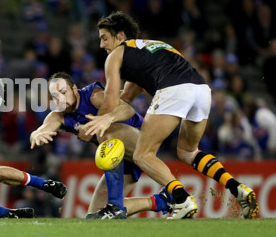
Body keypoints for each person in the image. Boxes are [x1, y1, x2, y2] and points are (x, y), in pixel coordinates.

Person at [84, 11, 257, 219]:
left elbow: (112, 100)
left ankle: (182, 199)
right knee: (187, 151)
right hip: (201, 89)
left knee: (142, 154)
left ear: (120, 36)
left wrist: (97, 122)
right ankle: (238, 189)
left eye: (104, 38)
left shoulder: (115, 55)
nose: (102, 45)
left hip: (174, 89)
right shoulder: (151, 47)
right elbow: (126, 97)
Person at [30, 72, 173, 219]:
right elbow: (40, 130)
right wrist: (37, 135)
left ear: (74, 89)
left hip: (140, 140)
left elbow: (127, 110)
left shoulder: (94, 96)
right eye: (55, 96)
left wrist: (103, 120)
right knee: (95, 216)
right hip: (119, 156)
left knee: (103, 131)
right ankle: (161, 201)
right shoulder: (58, 116)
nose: (60, 99)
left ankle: (115, 205)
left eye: (63, 92)